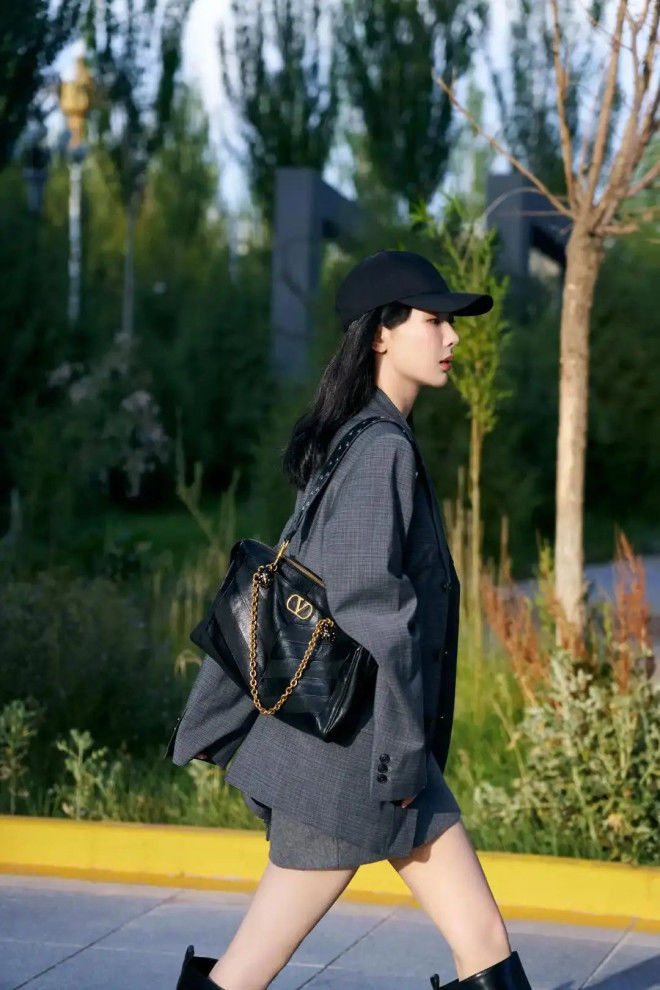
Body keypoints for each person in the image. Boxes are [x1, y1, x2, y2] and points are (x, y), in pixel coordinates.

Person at [172, 251, 534, 990]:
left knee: (482, 938)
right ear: (380, 334)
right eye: (432, 320)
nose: (452, 337)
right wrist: (401, 756)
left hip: (364, 750)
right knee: (250, 965)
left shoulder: (360, 436)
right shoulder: (379, 449)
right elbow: (374, 612)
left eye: (451, 323)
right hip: (351, 762)